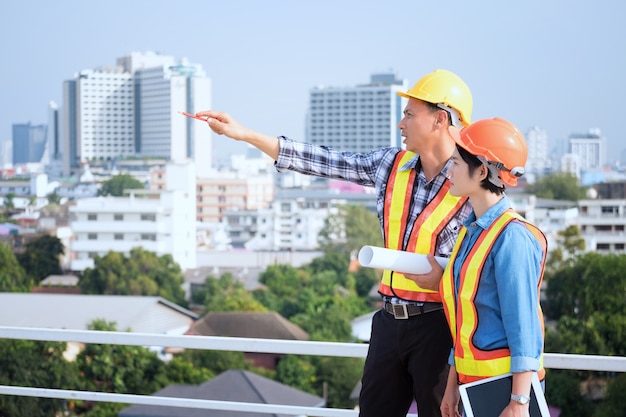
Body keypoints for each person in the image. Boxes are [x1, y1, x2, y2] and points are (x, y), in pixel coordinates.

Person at [195, 69, 474, 417]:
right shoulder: (391, 165)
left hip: (439, 327)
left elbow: (484, 265)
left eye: (409, 114)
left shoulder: (472, 181)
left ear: (440, 119)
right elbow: (323, 160)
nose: (401, 124)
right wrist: (243, 134)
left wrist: (444, 278)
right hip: (389, 321)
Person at [412, 118, 547, 417]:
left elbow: (523, 325)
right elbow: (464, 322)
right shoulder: (470, 232)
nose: (449, 170)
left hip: (507, 394)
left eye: (457, 163)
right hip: (475, 389)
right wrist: (452, 384)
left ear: (482, 171)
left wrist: (519, 403)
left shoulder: (512, 237)